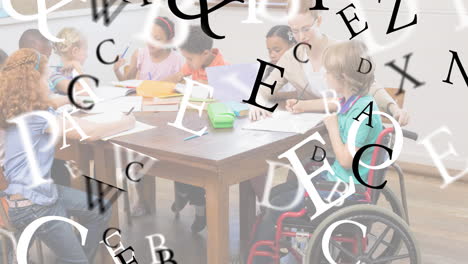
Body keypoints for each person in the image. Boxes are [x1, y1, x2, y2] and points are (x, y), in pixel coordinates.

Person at [250, 40, 383, 264]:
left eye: (329, 73)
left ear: (344, 78)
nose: (324, 76)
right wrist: (302, 105)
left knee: (275, 205)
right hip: (338, 184)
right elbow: (332, 103)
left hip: (342, 193)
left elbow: (346, 161)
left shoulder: (363, 116)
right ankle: (274, 249)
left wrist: (332, 128)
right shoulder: (357, 102)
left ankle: (261, 256)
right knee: (278, 193)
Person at [0, 48, 136, 263]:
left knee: (101, 210)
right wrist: (128, 121)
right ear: (34, 82)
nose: (49, 83)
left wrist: (70, 100)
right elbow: (90, 133)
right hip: (34, 205)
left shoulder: (16, 106)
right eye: (46, 78)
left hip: (32, 195)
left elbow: (52, 101)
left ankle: (75, 258)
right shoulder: (37, 115)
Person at [249, 0, 409, 127]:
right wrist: (258, 103)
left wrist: (393, 108)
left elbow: (370, 86)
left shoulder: (341, 51)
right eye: (294, 30)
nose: (300, 37)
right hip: (313, 128)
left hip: (347, 126)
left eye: (306, 29)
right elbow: (265, 89)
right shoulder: (290, 58)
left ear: (318, 21)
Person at [168, 26, 228, 233]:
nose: (187, 64)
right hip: (190, 125)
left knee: (197, 171)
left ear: (205, 54)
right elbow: (178, 77)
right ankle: (182, 193)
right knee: (175, 157)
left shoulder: (222, 69)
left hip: (212, 133)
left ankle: (199, 213)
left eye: (189, 59)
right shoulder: (194, 62)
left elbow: (226, 100)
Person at [113, 16, 184, 81]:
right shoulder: (139, 54)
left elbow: (180, 86)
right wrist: (116, 70)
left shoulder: (176, 59)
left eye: (157, 39)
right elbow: (126, 83)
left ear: (168, 42)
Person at [49, 27, 89, 94]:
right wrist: (78, 67)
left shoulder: (73, 72)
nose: (87, 55)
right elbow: (87, 92)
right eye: (85, 50)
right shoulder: (56, 76)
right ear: (75, 51)